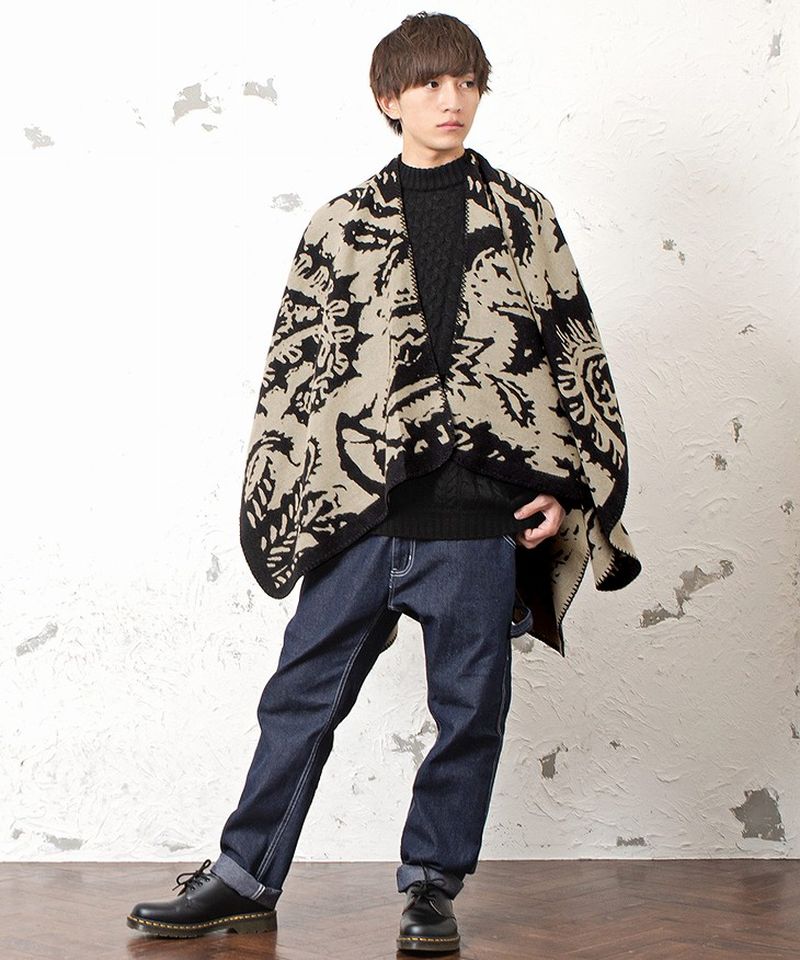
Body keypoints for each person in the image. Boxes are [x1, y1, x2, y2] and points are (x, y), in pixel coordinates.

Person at [127, 11, 641, 953]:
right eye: (432, 83)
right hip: (361, 519)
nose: (453, 100)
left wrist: (564, 490)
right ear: (388, 98)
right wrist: (295, 502)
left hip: (477, 526)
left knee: (469, 712)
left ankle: (431, 889)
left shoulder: (526, 217)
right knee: (300, 698)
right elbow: (296, 378)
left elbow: (571, 359)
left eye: (468, 83)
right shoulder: (338, 225)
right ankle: (243, 878)